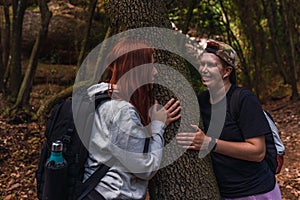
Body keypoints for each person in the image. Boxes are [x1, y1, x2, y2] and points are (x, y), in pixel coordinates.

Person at [176, 39, 282, 199]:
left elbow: (258, 152)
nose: (203, 69)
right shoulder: (201, 101)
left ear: (227, 72)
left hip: (256, 191)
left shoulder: (243, 99)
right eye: (202, 64)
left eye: (211, 65)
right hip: (225, 193)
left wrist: (209, 143)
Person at [82, 38, 181, 200]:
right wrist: (158, 125)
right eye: (150, 65)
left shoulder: (99, 97)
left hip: (96, 190)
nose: (155, 72)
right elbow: (144, 168)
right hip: (112, 195)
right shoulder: (121, 111)